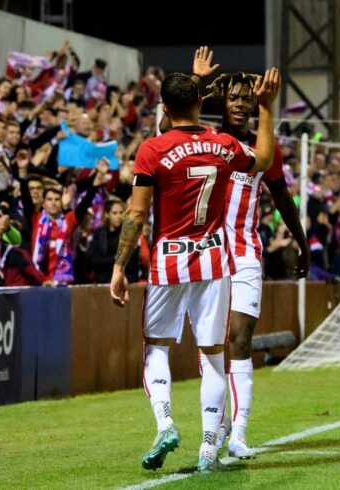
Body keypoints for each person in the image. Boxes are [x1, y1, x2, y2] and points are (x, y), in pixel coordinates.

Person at [109, 64, 281, 472]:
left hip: (169, 261)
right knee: (214, 356)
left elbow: (136, 214)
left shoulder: (153, 149)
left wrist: (119, 266)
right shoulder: (222, 144)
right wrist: (266, 107)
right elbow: (264, 160)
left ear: (165, 108)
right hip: (213, 259)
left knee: (156, 348)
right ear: (203, 103)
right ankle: (209, 447)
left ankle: (166, 422)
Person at [196, 60, 309, 457]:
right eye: (234, 98)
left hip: (245, 254)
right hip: (208, 255)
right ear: (222, 102)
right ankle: (216, 424)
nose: (241, 104)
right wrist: (196, 79)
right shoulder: (206, 141)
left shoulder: (264, 150)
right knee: (212, 344)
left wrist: (302, 241)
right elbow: (165, 128)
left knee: (239, 338)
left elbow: (281, 196)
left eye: (247, 99)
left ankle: (239, 434)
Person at [86, 197, 140, 283]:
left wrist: (107, 261)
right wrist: (115, 259)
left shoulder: (129, 234)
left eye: (121, 213)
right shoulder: (99, 234)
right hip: (103, 281)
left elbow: (130, 262)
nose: (119, 216)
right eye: (115, 213)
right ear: (107, 214)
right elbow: (92, 260)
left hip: (126, 280)